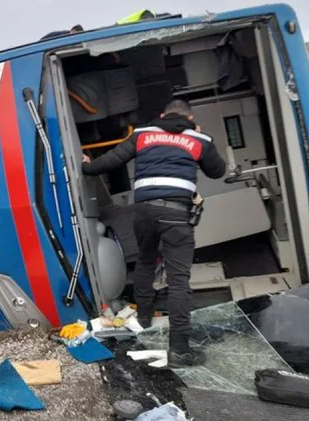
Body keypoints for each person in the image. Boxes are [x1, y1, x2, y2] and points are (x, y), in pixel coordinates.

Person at [81, 99, 226, 367]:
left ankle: (144, 318)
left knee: (146, 262)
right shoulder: (199, 139)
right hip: (176, 215)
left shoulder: (142, 134)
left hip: (144, 212)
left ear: (162, 114)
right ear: (190, 119)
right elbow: (218, 172)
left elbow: (110, 161)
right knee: (179, 280)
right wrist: (201, 135)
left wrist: (88, 165)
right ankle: (179, 350)